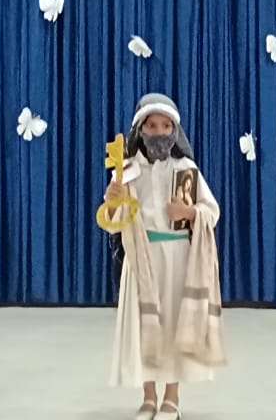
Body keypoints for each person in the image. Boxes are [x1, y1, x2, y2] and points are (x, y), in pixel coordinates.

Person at [104, 93, 227, 420]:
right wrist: (113, 199)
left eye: (165, 126)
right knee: (145, 328)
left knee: (173, 325)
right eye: (152, 126)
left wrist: (189, 212)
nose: (159, 132)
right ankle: (148, 397)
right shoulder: (127, 172)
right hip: (142, 259)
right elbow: (112, 222)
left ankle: (171, 398)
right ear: (140, 130)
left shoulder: (186, 169)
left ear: (175, 130)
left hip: (178, 258)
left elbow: (212, 211)